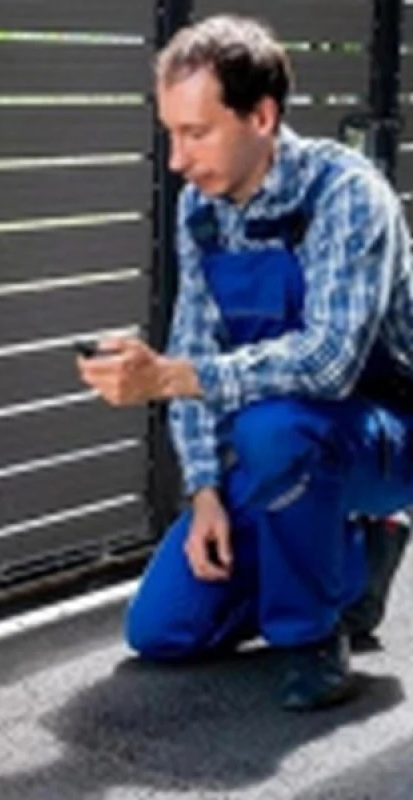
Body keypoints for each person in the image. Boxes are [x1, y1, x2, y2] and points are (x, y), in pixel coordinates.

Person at [78, 14, 413, 711]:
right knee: (161, 629)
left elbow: (329, 363)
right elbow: (195, 343)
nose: (177, 159)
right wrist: (204, 492)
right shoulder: (200, 209)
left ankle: (312, 639)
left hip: (384, 437)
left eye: (195, 133)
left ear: (261, 116)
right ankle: (355, 560)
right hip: (286, 450)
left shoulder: (349, 195)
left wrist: (172, 377)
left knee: (274, 428)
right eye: (170, 133)